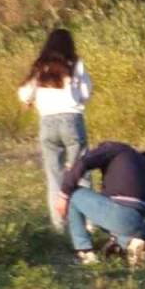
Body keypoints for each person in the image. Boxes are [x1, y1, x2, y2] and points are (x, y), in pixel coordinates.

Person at [17, 28, 92, 231]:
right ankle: (87, 221)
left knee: (54, 175)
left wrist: (31, 101)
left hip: (47, 124)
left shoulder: (41, 66)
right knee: (81, 172)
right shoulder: (75, 64)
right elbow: (86, 92)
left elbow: (24, 93)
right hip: (72, 120)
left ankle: (60, 225)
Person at [54, 141, 145, 266]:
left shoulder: (112, 149)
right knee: (124, 225)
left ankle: (84, 252)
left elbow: (84, 161)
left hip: (124, 215)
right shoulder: (141, 161)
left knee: (74, 194)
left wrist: (64, 193)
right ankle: (133, 243)